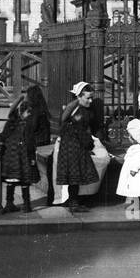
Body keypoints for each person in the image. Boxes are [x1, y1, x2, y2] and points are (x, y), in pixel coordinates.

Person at [55, 81, 98, 214]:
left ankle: (72, 201)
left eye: (91, 97)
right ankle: (73, 203)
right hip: (75, 147)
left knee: (73, 176)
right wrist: (89, 144)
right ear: (79, 97)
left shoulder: (74, 109)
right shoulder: (79, 112)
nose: (90, 100)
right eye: (87, 98)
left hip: (69, 146)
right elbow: (80, 130)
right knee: (75, 175)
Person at [0, 95, 40, 214]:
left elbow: (3, 137)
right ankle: (26, 205)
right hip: (23, 157)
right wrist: (32, 158)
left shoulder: (10, 124)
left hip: (10, 157)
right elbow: (30, 143)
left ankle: (9, 203)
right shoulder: (26, 125)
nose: (29, 115)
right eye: (28, 112)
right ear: (22, 112)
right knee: (25, 181)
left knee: (11, 180)